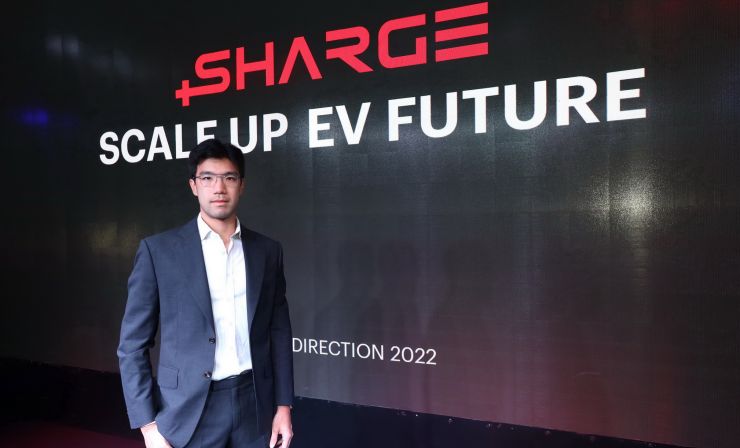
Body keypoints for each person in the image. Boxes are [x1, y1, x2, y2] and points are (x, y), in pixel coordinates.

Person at [117, 138, 294, 448]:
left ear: (242, 185)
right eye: (208, 178)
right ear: (193, 185)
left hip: (255, 406)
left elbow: (278, 332)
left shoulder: (267, 251)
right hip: (188, 411)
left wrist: (283, 405)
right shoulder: (159, 252)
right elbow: (132, 345)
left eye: (229, 178)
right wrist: (148, 426)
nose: (219, 188)